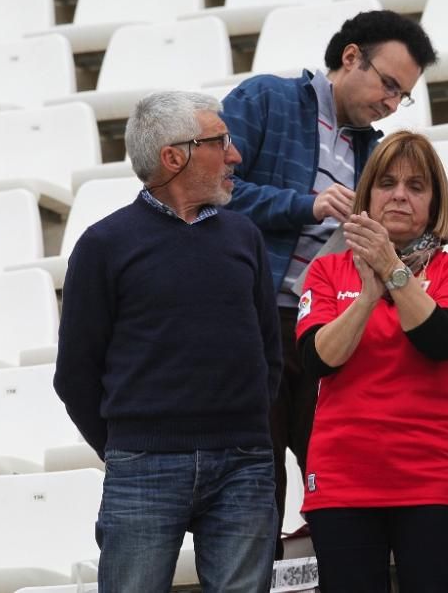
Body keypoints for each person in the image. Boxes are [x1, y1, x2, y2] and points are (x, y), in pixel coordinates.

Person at [220, 10, 437, 548]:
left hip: (323, 321)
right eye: (388, 84)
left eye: (401, 95)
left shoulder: (372, 148)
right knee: (256, 472)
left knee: (334, 461)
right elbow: (213, 190)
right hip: (252, 316)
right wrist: (306, 205)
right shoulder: (266, 99)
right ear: (349, 57)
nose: (390, 102)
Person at [53, 91, 282, 593]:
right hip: (143, 464)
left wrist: (244, 425)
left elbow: (269, 352)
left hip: (244, 461)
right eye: (220, 141)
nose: (235, 155)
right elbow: (75, 374)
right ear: (173, 157)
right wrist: (128, 448)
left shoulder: (245, 237)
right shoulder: (103, 245)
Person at [294, 131, 448, 591]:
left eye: (416, 186)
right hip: (343, 484)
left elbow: (441, 340)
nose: (400, 194)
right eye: (387, 183)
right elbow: (318, 359)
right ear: (368, 195)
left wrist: (392, 271)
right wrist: (366, 298)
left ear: (434, 203)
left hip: (432, 481)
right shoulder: (325, 270)